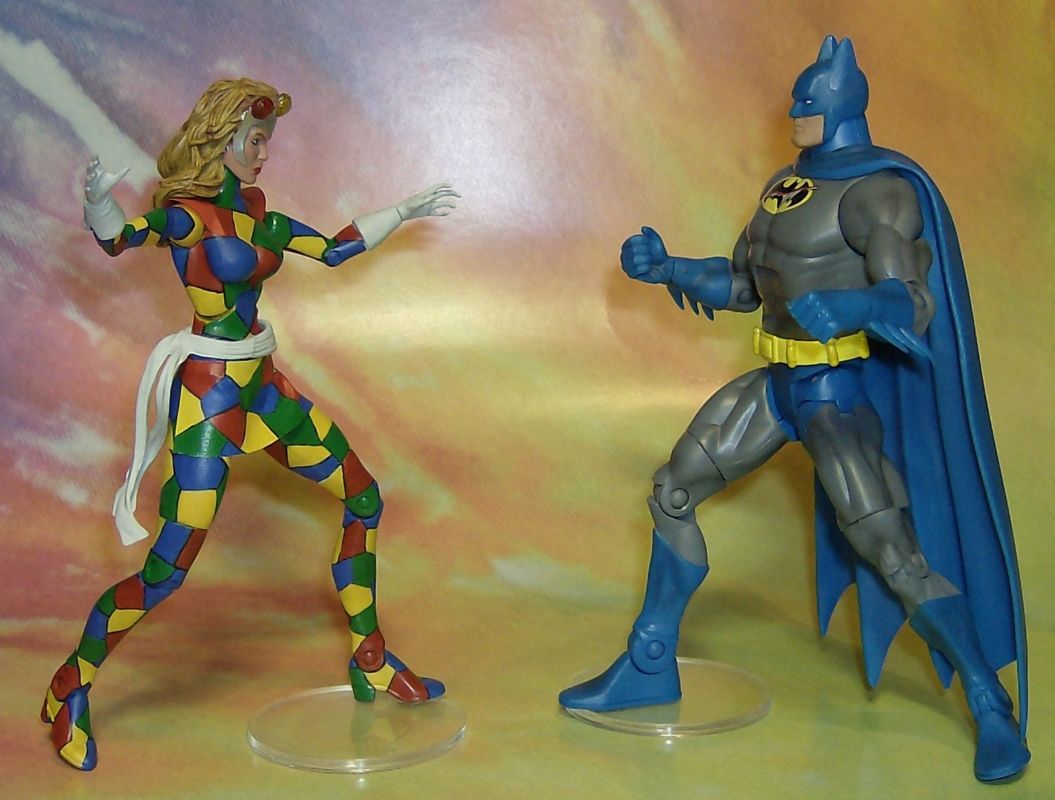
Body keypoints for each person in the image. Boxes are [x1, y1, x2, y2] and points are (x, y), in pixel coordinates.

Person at [558, 37, 1029, 783]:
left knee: (894, 553)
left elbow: (912, 299)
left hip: (835, 398)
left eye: (810, 100)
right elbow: (743, 285)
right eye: (795, 99)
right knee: (672, 490)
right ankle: (649, 662)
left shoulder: (879, 192)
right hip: (776, 386)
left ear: (842, 105)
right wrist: (669, 267)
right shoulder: (786, 185)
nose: (796, 110)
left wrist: (854, 306)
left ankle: (986, 698)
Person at [42, 78, 458, 771]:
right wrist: (97, 203)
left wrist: (403, 210)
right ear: (221, 140)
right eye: (255, 141)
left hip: (264, 389)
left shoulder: (259, 213)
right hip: (209, 402)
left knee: (363, 498)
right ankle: (69, 685)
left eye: (267, 141)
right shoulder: (187, 218)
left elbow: (333, 248)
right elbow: (121, 239)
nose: (265, 154)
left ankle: (371, 657)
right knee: (167, 569)